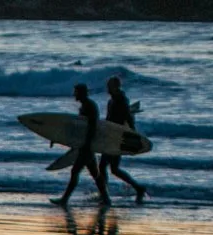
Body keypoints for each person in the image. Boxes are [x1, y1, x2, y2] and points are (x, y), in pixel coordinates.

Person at [54, 82, 111, 209]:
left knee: (75, 171)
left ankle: (64, 199)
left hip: (87, 145)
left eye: (76, 92)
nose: (74, 94)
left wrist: (87, 144)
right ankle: (106, 199)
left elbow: (92, 127)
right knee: (95, 173)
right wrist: (57, 138)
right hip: (85, 145)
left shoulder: (89, 106)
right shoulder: (85, 106)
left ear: (82, 93)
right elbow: (79, 128)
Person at [102, 75, 147, 203]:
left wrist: (133, 135)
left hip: (117, 138)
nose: (107, 89)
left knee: (105, 167)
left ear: (115, 87)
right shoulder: (112, 100)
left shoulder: (121, 100)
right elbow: (108, 119)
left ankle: (104, 194)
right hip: (110, 135)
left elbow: (128, 117)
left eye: (109, 86)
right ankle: (138, 188)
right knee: (112, 169)